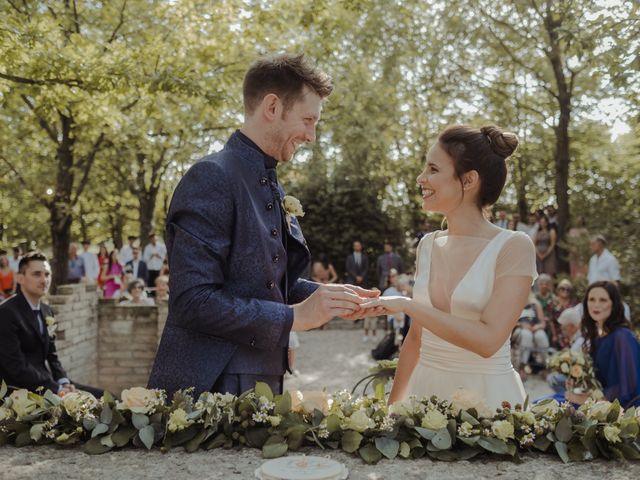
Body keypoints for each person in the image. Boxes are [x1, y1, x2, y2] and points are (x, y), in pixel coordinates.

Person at [148, 53, 376, 398]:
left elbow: (264, 283)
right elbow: (192, 301)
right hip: (210, 384)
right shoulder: (211, 176)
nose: (312, 136)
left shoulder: (268, 180)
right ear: (272, 107)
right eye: (308, 120)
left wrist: (329, 298)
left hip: (263, 378)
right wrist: (293, 318)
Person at [359, 124, 537, 410]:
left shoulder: (514, 247)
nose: (421, 178)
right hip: (426, 393)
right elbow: (416, 337)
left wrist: (407, 305)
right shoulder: (428, 245)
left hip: (488, 399)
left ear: (468, 180)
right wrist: (392, 411)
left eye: (432, 169)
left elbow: (489, 340)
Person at [0, 252, 103, 397]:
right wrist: (57, 389)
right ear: (20, 278)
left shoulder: (47, 311)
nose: (44, 280)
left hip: (49, 382)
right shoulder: (6, 313)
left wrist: (64, 381)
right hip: (20, 391)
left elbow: (52, 355)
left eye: (47, 274)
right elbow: (15, 366)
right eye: (37, 274)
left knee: (106, 398)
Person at [563, 282, 640, 408]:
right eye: (591, 299)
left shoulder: (622, 336)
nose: (596, 305)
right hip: (598, 403)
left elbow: (629, 387)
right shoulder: (597, 337)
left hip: (621, 410)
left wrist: (588, 400)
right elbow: (599, 381)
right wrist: (579, 384)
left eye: (603, 300)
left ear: (613, 304)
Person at [546, 307, 584, 394]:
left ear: (571, 326)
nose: (563, 332)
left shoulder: (579, 341)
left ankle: (567, 400)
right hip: (577, 377)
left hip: (578, 380)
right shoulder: (578, 338)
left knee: (552, 378)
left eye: (564, 329)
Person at [512, 291, 549, 377]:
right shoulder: (515, 302)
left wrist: (537, 327)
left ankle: (546, 364)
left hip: (534, 328)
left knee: (541, 336)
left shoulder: (535, 303)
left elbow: (543, 323)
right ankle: (522, 366)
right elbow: (510, 323)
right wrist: (521, 325)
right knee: (526, 335)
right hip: (520, 329)